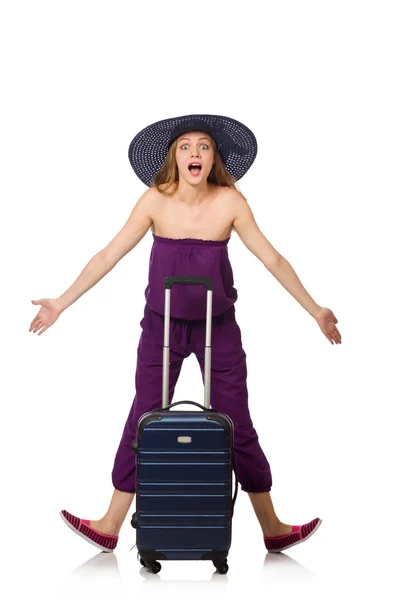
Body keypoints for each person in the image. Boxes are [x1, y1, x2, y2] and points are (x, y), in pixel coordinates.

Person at [29, 114, 342, 554]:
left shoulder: (231, 201)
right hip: (162, 326)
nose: (194, 153)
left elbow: (273, 259)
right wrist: (61, 302)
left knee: (237, 421)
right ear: (173, 158)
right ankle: (110, 524)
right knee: (145, 416)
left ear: (214, 159)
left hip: (220, 327)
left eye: (204, 146)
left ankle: (272, 527)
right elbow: (107, 255)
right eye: (185, 146)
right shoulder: (154, 200)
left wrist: (316, 310)